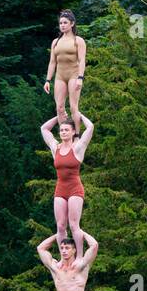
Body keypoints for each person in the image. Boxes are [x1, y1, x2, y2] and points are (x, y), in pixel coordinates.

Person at [40, 111, 94, 259]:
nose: (63, 132)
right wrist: (58, 117)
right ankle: (64, 259)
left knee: (74, 225)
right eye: (61, 130)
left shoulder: (78, 148)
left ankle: (79, 258)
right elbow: (44, 129)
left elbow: (90, 127)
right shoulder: (55, 147)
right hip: (60, 189)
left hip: (75, 189)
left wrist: (78, 114)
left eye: (66, 130)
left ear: (72, 132)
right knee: (60, 226)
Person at [43, 10, 86, 132]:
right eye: (60, 23)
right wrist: (47, 80)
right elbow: (52, 62)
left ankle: (76, 134)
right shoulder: (55, 42)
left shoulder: (78, 40)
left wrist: (80, 78)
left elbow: (82, 60)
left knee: (73, 107)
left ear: (72, 24)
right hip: (60, 76)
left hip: (74, 74)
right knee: (60, 108)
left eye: (65, 22)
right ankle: (64, 134)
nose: (62, 25)